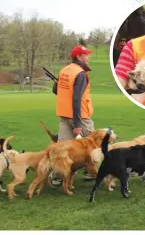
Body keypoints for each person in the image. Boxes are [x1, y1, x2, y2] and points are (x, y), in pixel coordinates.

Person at [51, 45, 95, 185]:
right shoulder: (80, 74)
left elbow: (55, 90)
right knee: (93, 146)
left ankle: (57, 176)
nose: (88, 57)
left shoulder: (64, 70)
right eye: (86, 55)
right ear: (78, 57)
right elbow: (76, 99)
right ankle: (92, 172)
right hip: (80, 117)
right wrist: (77, 125)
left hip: (64, 116)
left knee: (62, 149)